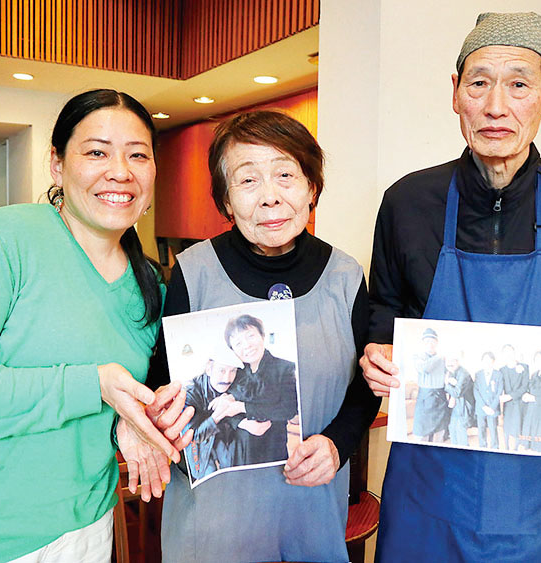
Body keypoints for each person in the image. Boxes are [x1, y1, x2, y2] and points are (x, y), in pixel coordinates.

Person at [359, 11, 541, 561]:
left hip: (538, 487)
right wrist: (376, 349)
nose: (496, 106)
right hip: (428, 481)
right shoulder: (408, 202)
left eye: (519, 84)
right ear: (456, 92)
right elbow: (384, 305)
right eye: (479, 82)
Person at [0, 89, 194, 563]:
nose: (121, 171)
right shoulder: (1, 240)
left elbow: (117, 400)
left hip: (84, 528)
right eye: (96, 152)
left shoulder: (152, 284)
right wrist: (94, 384)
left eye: (138, 155)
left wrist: (125, 424)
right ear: (57, 164)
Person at [150, 110, 380, 562]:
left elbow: (365, 386)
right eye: (248, 180)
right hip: (215, 517)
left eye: (285, 175)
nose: (270, 197)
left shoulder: (346, 276)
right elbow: (163, 385)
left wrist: (337, 442)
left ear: (312, 187)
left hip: (311, 509)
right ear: (226, 201)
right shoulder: (193, 272)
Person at [217, 314, 299, 465]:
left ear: (262, 335)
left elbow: (288, 409)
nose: (246, 345)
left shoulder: (285, 368)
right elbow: (224, 412)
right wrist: (242, 422)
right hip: (239, 453)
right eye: (238, 343)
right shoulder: (237, 373)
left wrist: (242, 407)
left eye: (250, 336)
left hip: (271, 451)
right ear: (233, 349)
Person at [184, 346, 244, 481]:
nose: (227, 378)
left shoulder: (234, 383)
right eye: (222, 370)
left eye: (233, 371)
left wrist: (232, 397)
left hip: (225, 443)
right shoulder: (190, 393)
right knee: (208, 476)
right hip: (199, 450)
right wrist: (218, 414)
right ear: (209, 369)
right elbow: (193, 438)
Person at [412, 328, 448, 441]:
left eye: (432, 341)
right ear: (423, 343)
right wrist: (439, 357)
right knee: (421, 435)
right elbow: (424, 368)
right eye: (427, 341)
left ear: (437, 342)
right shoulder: (418, 356)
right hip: (425, 397)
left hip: (440, 397)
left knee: (439, 433)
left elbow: (448, 375)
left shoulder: (444, 359)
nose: (430, 344)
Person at [499, 343, 529, 450]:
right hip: (507, 405)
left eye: (510, 352)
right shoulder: (501, 370)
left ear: (514, 352)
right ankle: (506, 448)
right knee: (506, 427)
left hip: (519, 403)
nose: (509, 354)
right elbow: (499, 386)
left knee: (517, 428)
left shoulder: (524, 367)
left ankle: (516, 449)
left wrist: (510, 396)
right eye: (506, 352)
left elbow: (524, 387)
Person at [443, 351, 474, 447]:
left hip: (463, 408)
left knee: (461, 437)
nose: (450, 363)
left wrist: (447, 384)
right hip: (455, 408)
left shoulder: (463, 374)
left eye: (453, 361)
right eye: (448, 361)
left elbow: (457, 392)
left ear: (458, 362)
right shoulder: (452, 372)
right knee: (453, 433)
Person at [473, 351, 503, 449]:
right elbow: (476, 390)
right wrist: (483, 406)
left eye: (489, 361)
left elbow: (499, 391)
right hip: (481, 407)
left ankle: (495, 448)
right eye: (485, 361)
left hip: (492, 408)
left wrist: (492, 407)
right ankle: (482, 447)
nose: (487, 363)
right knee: (481, 429)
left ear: (493, 362)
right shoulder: (478, 374)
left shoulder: (498, 374)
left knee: (493, 429)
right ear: (482, 361)